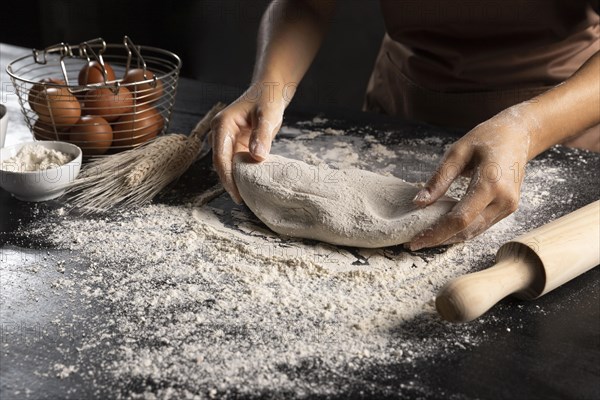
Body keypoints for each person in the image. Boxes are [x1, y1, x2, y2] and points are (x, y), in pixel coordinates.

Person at [210, 0, 600, 250]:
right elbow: (308, 4)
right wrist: (270, 84)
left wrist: (528, 127)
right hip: (402, 109)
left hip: (560, 123)